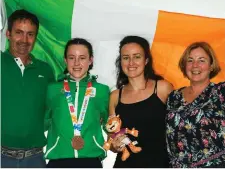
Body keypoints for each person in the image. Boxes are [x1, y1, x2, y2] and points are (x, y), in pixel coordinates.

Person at [108, 35, 173, 168]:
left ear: (146, 60)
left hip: (161, 164)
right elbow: (112, 139)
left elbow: (180, 129)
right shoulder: (115, 96)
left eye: (137, 57)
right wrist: (115, 145)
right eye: (126, 58)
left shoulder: (163, 88)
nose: (131, 62)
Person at [45, 38, 110, 168]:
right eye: (71, 57)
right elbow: (43, 121)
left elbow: (109, 124)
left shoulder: (102, 90)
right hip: (58, 159)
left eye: (82, 58)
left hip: (91, 159)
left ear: (90, 60)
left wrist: (116, 140)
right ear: (65, 60)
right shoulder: (52, 89)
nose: (76, 63)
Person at [1, 9, 55, 167]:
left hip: (35, 159)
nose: (24, 40)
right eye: (19, 32)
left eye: (30, 34)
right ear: (8, 34)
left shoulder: (45, 70)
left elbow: (58, 106)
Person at [166, 41, 225, 168]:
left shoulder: (221, 91)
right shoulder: (173, 97)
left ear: (211, 65)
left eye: (201, 60)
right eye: (190, 60)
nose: (195, 65)